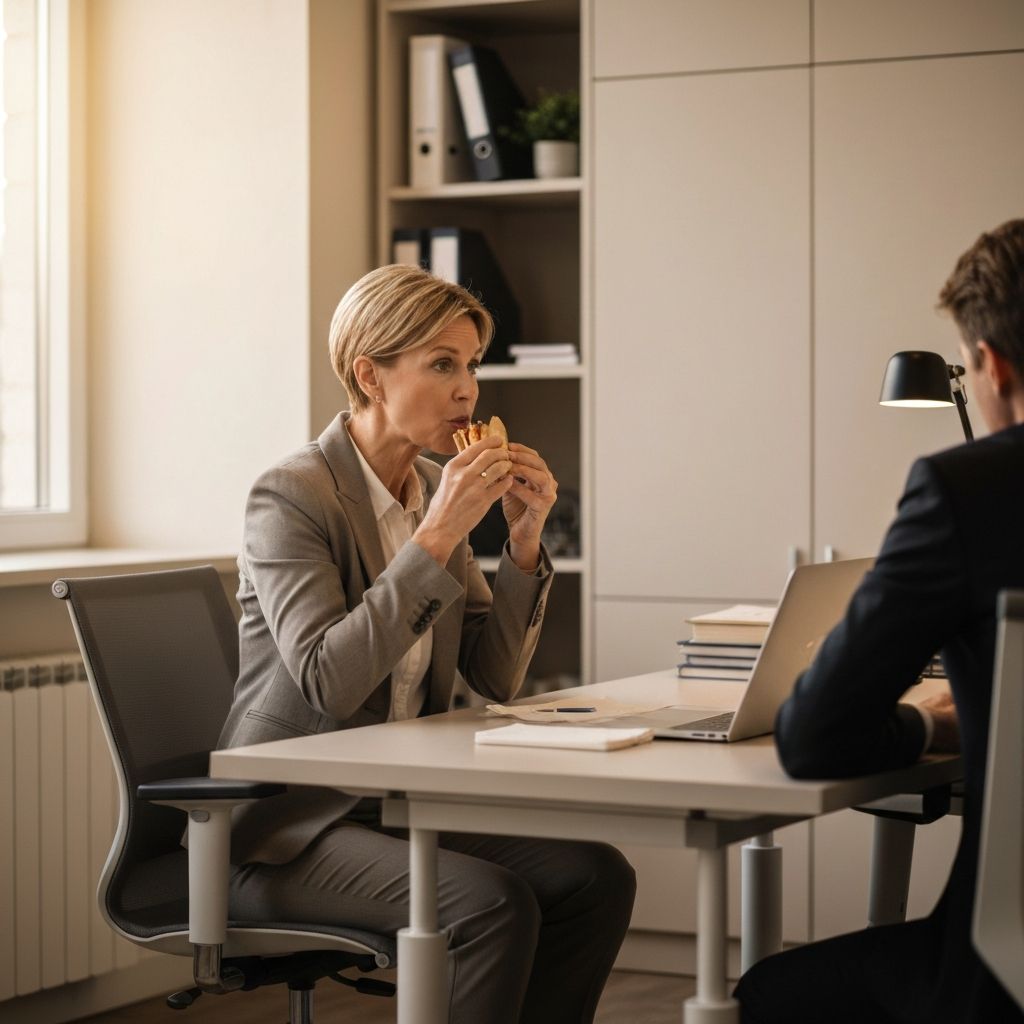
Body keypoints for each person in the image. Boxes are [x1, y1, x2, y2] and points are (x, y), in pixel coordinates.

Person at [217, 264, 636, 1023]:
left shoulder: (427, 486)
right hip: (284, 827)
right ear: (370, 375)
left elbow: (493, 674)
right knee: (489, 901)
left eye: (472, 364)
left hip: (390, 807)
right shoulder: (291, 495)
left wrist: (522, 543)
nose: (469, 389)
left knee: (594, 876)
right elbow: (327, 681)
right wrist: (440, 533)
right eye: (442, 364)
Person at [735, 218, 1024, 1022]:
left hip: (1002, 965)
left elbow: (815, 735)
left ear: (990, 366)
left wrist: (933, 727)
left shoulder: (970, 490)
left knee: (769, 993)